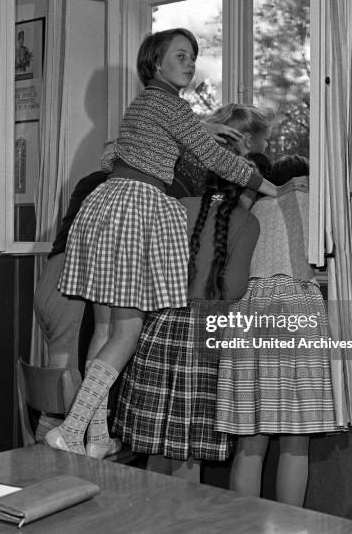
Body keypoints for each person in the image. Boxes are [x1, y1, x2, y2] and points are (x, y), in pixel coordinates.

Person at [46, 28, 282, 457]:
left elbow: (127, 153)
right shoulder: (166, 102)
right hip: (134, 208)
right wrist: (271, 188)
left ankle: (95, 437)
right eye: (180, 55)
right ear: (156, 62)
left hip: (112, 206)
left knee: (104, 329)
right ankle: (71, 428)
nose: (190, 62)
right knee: (129, 330)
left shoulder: (148, 105)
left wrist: (201, 132)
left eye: (193, 56)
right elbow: (214, 159)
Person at [113, 154, 261, 477]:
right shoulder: (248, 223)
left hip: (162, 322)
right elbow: (234, 289)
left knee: (157, 439)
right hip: (207, 333)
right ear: (245, 189)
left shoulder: (180, 205)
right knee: (190, 446)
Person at [215, 154, 338, 506]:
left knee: (251, 438)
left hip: (248, 308)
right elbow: (328, 258)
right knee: (296, 439)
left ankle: (244, 526)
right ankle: (290, 526)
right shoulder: (315, 207)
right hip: (297, 304)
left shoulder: (254, 209)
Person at [32, 143, 113, 445]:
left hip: (52, 274)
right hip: (72, 282)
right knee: (64, 397)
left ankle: (41, 460)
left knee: (57, 392)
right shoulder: (113, 186)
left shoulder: (87, 182)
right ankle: (44, 469)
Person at [167, 103, 272, 199]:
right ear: (249, 141)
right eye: (265, 139)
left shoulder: (200, 145)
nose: (266, 145)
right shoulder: (227, 163)